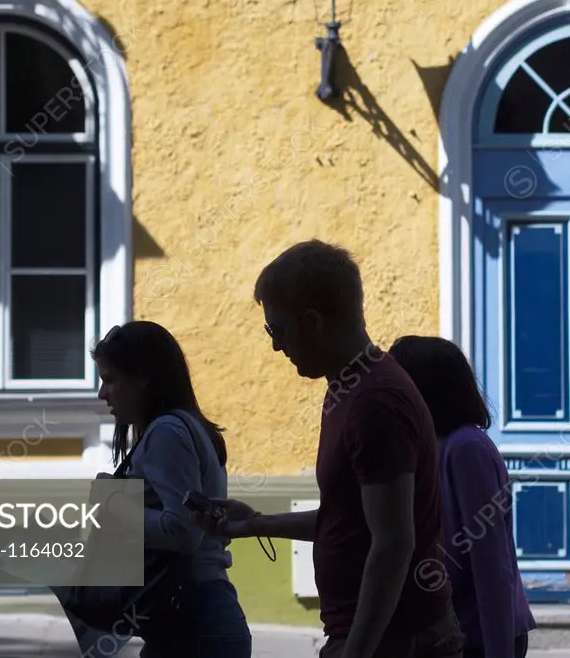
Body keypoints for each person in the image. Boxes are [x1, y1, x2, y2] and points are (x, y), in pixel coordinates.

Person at [193, 240, 464, 658]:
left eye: (276, 329)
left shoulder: (375, 402)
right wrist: (257, 523)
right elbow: (350, 519)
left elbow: (393, 543)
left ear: (313, 322)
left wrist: (356, 651)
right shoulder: (349, 387)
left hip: (395, 642)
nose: (276, 346)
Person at [92, 321, 252, 658]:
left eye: (110, 379)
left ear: (143, 378)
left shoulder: (166, 431)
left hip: (194, 622)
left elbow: (182, 530)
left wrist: (114, 504)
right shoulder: (178, 426)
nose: (102, 393)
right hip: (192, 619)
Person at [388, 336, 535, 658]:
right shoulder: (434, 447)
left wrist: (499, 650)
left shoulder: (465, 449)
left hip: (482, 635)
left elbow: (490, 560)